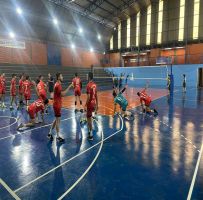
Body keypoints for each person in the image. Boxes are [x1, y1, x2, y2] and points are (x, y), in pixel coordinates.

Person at [48, 73, 72, 143]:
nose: (62, 77)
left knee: (56, 120)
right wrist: (69, 86)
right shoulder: (58, 85)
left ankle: (49, 133)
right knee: (58, 121)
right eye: (61, 76)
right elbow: (63, 94)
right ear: (58, 77)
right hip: (57, 105)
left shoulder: (57, 84)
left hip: (56, 104)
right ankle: (58, 137)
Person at [85, 72, 98, 140]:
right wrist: (97, 105)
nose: (86, 77)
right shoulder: (95, 85)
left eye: (87, 76)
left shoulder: (88, 85)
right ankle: (90, 131)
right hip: (94, 103)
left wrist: (85, 105)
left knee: (89, 119)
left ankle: (91, 134)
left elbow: (88, 97)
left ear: (89, 77)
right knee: (90, 118)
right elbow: (96, 95)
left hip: (90, 104)